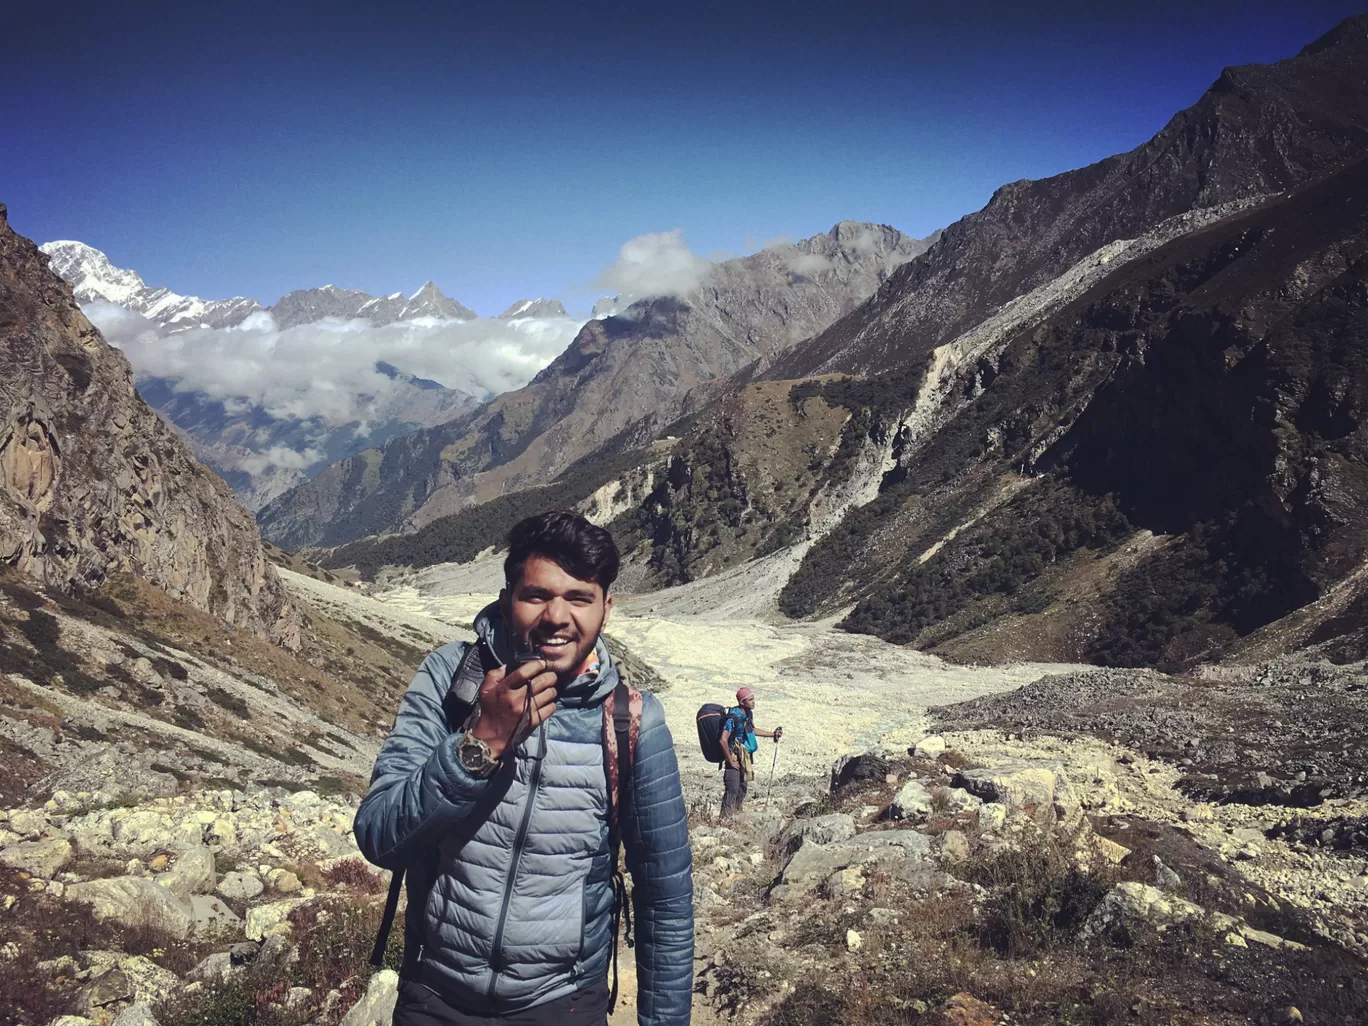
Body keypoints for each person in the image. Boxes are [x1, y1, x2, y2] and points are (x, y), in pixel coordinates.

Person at [354, 511, 693, 1026]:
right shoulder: (451, 678)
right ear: (508, 596)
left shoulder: (631, 722)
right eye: (537, 595)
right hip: (435, 995)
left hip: (563, 1003)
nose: (557, 616)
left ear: (606, 607)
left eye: (579, 597)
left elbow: (664, 900)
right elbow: (380, 836)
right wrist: (482, 741)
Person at [719, 687, 781, 817]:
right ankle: (725, 820)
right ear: (742, 702)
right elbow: (723, 740)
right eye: (750, 699)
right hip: (734, 756)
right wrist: (730, 760)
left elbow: (752, 730)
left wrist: (773, 734)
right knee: (733, 788)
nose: (754, 702)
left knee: (742, 788)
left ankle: (735, 813)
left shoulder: (748, 714)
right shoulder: (733, 717)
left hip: (744, 756)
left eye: (754, 699)